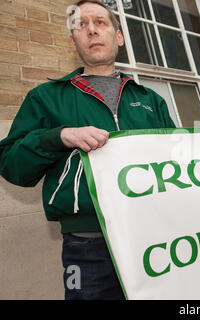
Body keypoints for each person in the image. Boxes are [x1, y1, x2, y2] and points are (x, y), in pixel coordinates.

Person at [0, 0, 175, 300]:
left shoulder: (151, 99)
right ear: (73, 41)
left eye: (101, 22)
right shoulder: (45, 97)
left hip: (155, 237)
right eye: (81, 25)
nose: (91, 30)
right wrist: (59, 136)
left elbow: (178, 160)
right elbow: (11, 164)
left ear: (118, 37)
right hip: (88, 246)